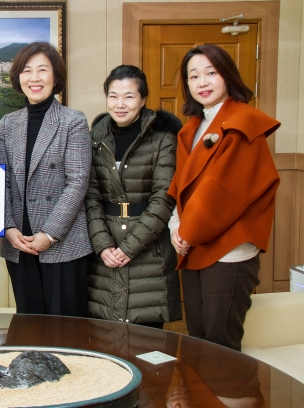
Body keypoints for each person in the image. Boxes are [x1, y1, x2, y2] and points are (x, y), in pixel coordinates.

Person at [168, 44, 280, 351]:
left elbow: (221, 194)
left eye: (210, 73)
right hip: (193, 243)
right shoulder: (191, 128)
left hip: (228, 251)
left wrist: (184, 233)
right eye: (194, 76)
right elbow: (181, 187)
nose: (202, 82)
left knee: (221, 344)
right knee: (199, 337)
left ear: (227, 76)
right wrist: (174, 228)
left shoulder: (243, 123)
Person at [0, 41, 92, 317]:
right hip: (19, 243)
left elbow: (78, 182)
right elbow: (0, 180)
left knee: (65, 331)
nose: (34, 78)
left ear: (56, 76)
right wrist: (8, 228)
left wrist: (49, 234)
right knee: (30, 325)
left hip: (63, 244)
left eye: (42, 70)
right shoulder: (8, 123)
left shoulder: (73, 120)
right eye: (27, 71)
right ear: (18, 78)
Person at [85, 65, 182, 328]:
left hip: (149, 248)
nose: (120, 104)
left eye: (129, 96)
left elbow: (163, 199)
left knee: (148, 339)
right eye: (113, 96)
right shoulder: (97, 135)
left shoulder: (163, 137)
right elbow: (90, 197)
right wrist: (103, 245)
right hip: (104, 248)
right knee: (104, 338)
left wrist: (128, 248)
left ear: (142, 99)